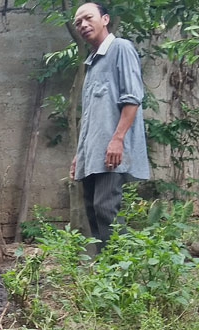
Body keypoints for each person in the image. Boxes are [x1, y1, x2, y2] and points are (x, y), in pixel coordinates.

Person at [70, 2, 149, 250]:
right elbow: (92, 117)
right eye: (78, 22)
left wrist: (117, 139)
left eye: (88, 18)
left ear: (105, 19)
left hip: (110, 152)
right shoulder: (92, 62)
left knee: (106, 208)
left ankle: (122, 274)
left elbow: (132, 98)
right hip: (92, 153)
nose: (83, 25)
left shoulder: (120, 48)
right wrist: (78, 155)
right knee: (94, 211)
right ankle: (107, 275)